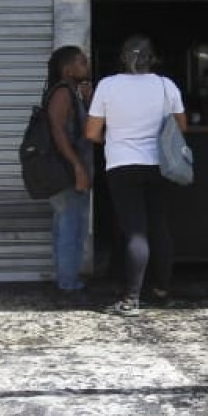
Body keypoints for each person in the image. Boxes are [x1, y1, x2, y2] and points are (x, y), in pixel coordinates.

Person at [84, 34, 186, 315]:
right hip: (160, 166)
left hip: (122, 165)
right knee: (159, 227)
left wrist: (117, 139)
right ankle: (162, 290)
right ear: (152, 58)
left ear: (122, 57)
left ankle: (131, 300)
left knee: (135, 231)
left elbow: (92, 133)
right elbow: (181, 127)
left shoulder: (108, 86)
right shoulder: (167, 86)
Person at [43, 45, 95, 297]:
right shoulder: (62, 93)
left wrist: (87, 101)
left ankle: (67, 278)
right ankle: (68, 283)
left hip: (71, 169)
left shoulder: (72, 93)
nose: (87, 66)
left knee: (69, 225)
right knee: (71, 227)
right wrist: (77, 167)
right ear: (68, 69)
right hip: (67, 172)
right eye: (82, 62)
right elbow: (58, 131)